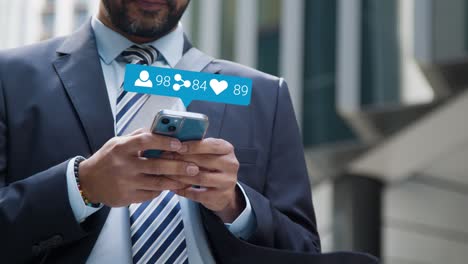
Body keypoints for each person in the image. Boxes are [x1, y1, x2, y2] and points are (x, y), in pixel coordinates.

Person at [0, 0, 321, 263]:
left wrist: (236, 206)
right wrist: (81, 187)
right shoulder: (10, 79)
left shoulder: (260, 94)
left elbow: (303, 251)